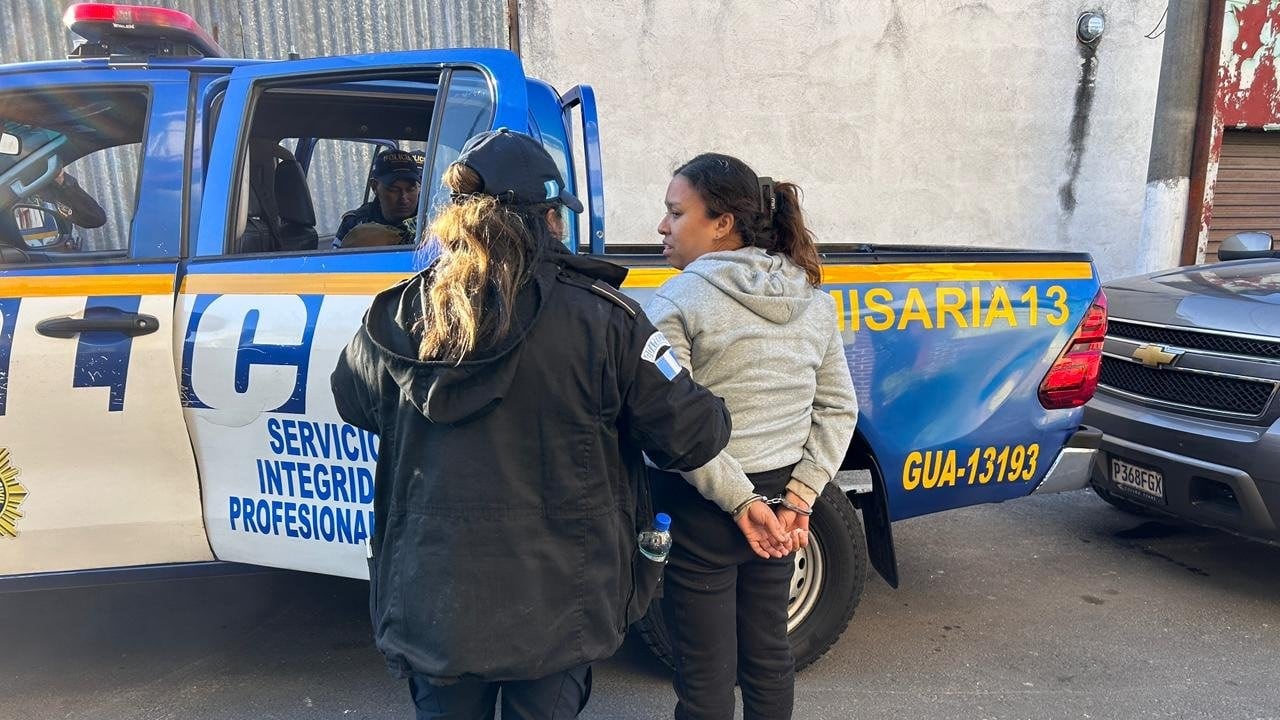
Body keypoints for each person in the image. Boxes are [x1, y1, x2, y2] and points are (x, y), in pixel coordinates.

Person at [330, 128, 733, 720]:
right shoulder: (606, 319)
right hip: (559, 607)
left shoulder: (396, 313)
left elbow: (353, 401)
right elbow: (694, 436)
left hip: (432, 602)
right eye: (558, 215)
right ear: (545, 218)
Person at [645, 152, 858, 720]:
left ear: (722, 223)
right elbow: (838, 408)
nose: (662, 227)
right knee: (768, 656)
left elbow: (675, 423)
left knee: (705, 676)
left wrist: (740, 502)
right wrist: (800, 497)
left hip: (702, 503)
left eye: (675, 213)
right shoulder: (811, 299)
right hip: (781, 506)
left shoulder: (675, 302)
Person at [332, 148, 424, 248]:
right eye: (394, 190)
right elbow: (336, 257)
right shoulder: (354, 223)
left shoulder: (431, 221)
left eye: (411, 189)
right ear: (374, 186)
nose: (403, 197)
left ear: (419, 187)